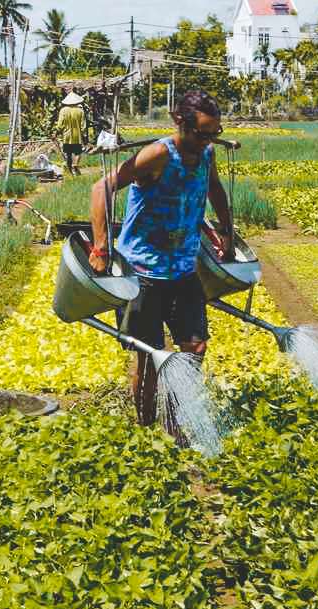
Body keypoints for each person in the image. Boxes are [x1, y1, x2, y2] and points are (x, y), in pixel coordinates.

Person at [88, 90, 233, 427]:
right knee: (150, 358)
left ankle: (177, 422)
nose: (209, 140)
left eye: (215, 133)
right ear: (179, 123)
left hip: (183, 269)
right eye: (203, 133)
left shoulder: (207, 154)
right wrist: (100, 247)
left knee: (194, 350)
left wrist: (226, 229)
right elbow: (101, 188)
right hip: (143, 273)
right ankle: (146, 427)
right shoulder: (157, 156)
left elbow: (214, 189)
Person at [57, 91, 87, 176]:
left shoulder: (63, 110)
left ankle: (70, 170)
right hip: (77, 136)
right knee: (78, 152)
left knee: (68, 153)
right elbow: (83, 126)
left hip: (66, 136)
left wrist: (57, 131)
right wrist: (84, 135)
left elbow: (60, 124)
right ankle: (75, 165)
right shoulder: (80, 111)